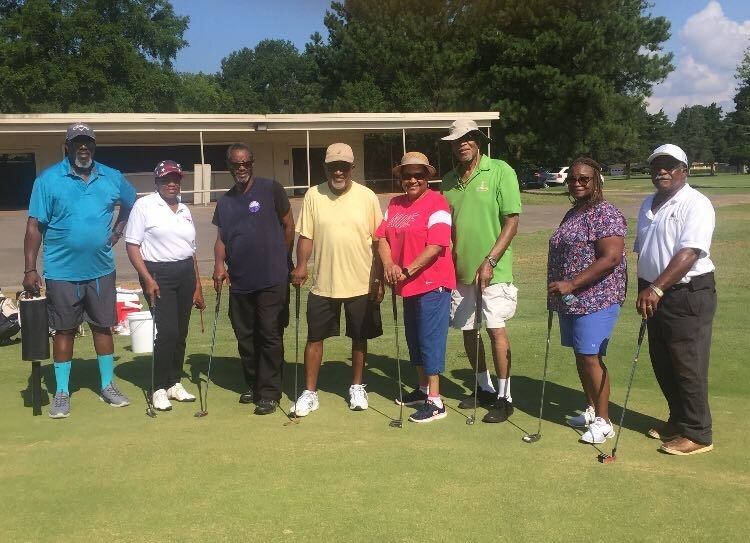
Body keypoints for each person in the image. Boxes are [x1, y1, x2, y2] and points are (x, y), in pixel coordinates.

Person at [23, 122, 136, 418]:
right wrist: (29, 269)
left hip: (101, 270)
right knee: (64, 329)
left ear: (94, 146)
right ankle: (62, 391)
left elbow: (130, 201)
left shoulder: (111, 177)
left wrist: (118, 230)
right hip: (61, 271)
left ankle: (107, 385)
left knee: (103, 326)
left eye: (88, 142)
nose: (83, 147)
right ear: (68, 146)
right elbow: (34, 227)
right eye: (77, 143)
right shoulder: (47, 181)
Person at [290, 143, 384, 417]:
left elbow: (379, 240)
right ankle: (309, 393)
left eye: (343, 166)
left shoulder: (367, 197)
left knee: (359, 336)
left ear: (352, 168)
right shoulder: (313, 195)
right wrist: (300, 266)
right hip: (324, 283)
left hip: (361, 281)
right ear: (326, 168)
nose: (339, 171)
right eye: (333, 166)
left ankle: (356, 386)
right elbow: (306, 236)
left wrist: (378, 279)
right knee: (315, 337)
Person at [635, 144, 717, 456]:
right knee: (664, 362)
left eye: (670, 166)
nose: (662, 171)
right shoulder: (647, 204)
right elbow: (645, 253)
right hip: (655, 294)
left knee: (687, 364)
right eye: (657, 166)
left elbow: (689, 253)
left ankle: (698, 433)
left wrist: (655, 288)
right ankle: (679, 420)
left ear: (684, 170)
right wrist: (645, 288)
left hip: (687, 294)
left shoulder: (696, 203)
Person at [441, 119, 521, 423]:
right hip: (460, 272)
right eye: (456, 140)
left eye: (468, 138)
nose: (462, 143)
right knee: (468, 331)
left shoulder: (501, 170)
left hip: (494, 272)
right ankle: (484, 388)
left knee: (495, 329)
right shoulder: (448, 181)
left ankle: (504, 397)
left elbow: (511, 221)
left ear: (478, 141)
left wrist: (490, 260)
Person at [547, 158, 627, 444]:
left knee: (591, 357)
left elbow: (611, 257)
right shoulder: (574, 212)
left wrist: (571, 283)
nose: (577, 183)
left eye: (584, 179)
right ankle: (592, 411)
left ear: (596, 181)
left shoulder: (605, 213)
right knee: (581, 356)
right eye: (573, 179)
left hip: (597, 297)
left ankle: (604, 423)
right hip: (571, 300)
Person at [212, 143, 295, 416]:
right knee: (245, 336)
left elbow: (288, 224)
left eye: (246, 162)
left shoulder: (272, 189)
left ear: (252, 163)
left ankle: (270, 392)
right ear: (229, 166)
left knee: (269, 334)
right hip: (241, 282)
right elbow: (221, 239)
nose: (241, 168)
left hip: (272, 278)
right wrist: (218, 266)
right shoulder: (224, 202)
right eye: (236, 164)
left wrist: (283, 259)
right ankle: (253, 384)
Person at [376, 152, 456, 423]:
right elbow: (382, 238)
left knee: (429, 340)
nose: (412, 179)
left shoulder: (438, 204)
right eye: (406, 175)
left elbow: (436, 246)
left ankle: (436, 401)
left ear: (427, 177)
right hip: (406, 284)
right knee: (415, 339)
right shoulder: (395, 204)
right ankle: (423, 390)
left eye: (418, 175)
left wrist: (407, 269)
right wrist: (388, 264)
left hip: (433, 283)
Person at [124, 160, 205, 411]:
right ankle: (157, 386)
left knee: (180, 333)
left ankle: (174, 382)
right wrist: (147, 278)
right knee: (167, 332)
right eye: (166, 179)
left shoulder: (184, 209)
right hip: (157, 274)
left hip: (185, 273)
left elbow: (191, 251)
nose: (172, 183)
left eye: (176, 179)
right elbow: (132, 245)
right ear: (157, 182)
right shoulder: (144, 205)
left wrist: (198, 285)